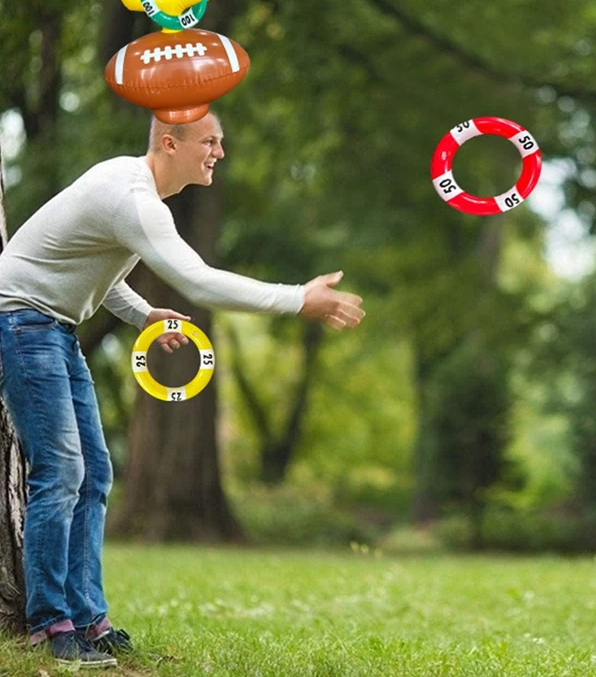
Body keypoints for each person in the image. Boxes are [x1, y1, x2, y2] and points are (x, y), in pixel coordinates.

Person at [0, 112, 365, 668]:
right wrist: (297, 299)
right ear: (170, 143)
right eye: (210, 141)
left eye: (221, 140)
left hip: (52, 326)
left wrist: (143, 314)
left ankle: (88, 616)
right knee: (62, 470)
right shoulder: (133, 196)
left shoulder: (137, 194)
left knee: (94, 472)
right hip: (23, 322)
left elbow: (94, 266)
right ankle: (50, 625)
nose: (220, 151)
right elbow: (199, 280)